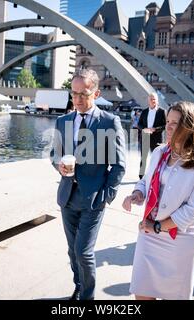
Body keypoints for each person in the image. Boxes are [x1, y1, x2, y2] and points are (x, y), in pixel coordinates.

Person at [122, 101, 194, 300]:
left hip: (180, 238)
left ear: (191, 127)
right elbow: (146, 182)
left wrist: (157, 226)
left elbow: (193, 209)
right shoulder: (159, 152)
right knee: (142, 293)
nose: (169, 127)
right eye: (168, 121)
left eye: (176, 123)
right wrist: (137, 194)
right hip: (149, 236)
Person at [50, 69, 126, 300]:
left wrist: (106, 196)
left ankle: (87, 298)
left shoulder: (109, 122)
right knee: (73, 252)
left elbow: (119, 165)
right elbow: (55, 154)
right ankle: (79, 286)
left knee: (83, 252)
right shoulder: (63, 121)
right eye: (74, 94)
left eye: (83, 94)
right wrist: (59, 166)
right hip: (67, 197)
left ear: (96, 93)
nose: (78, 99)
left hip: (93, 199)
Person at [137, 92, 167, 179]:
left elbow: (165, 125)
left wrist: (155, 129)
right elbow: (139, 124)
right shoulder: (144, 111)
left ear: (157, 101)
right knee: (143, 158)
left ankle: (156, 176)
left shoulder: (162, 111)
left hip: (157, 138)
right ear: (148, 101)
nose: (153, 100)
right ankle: (141, 177)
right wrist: (144, 129)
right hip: (145, 137)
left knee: (157, 158)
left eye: (154, 99)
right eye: (151, 99)